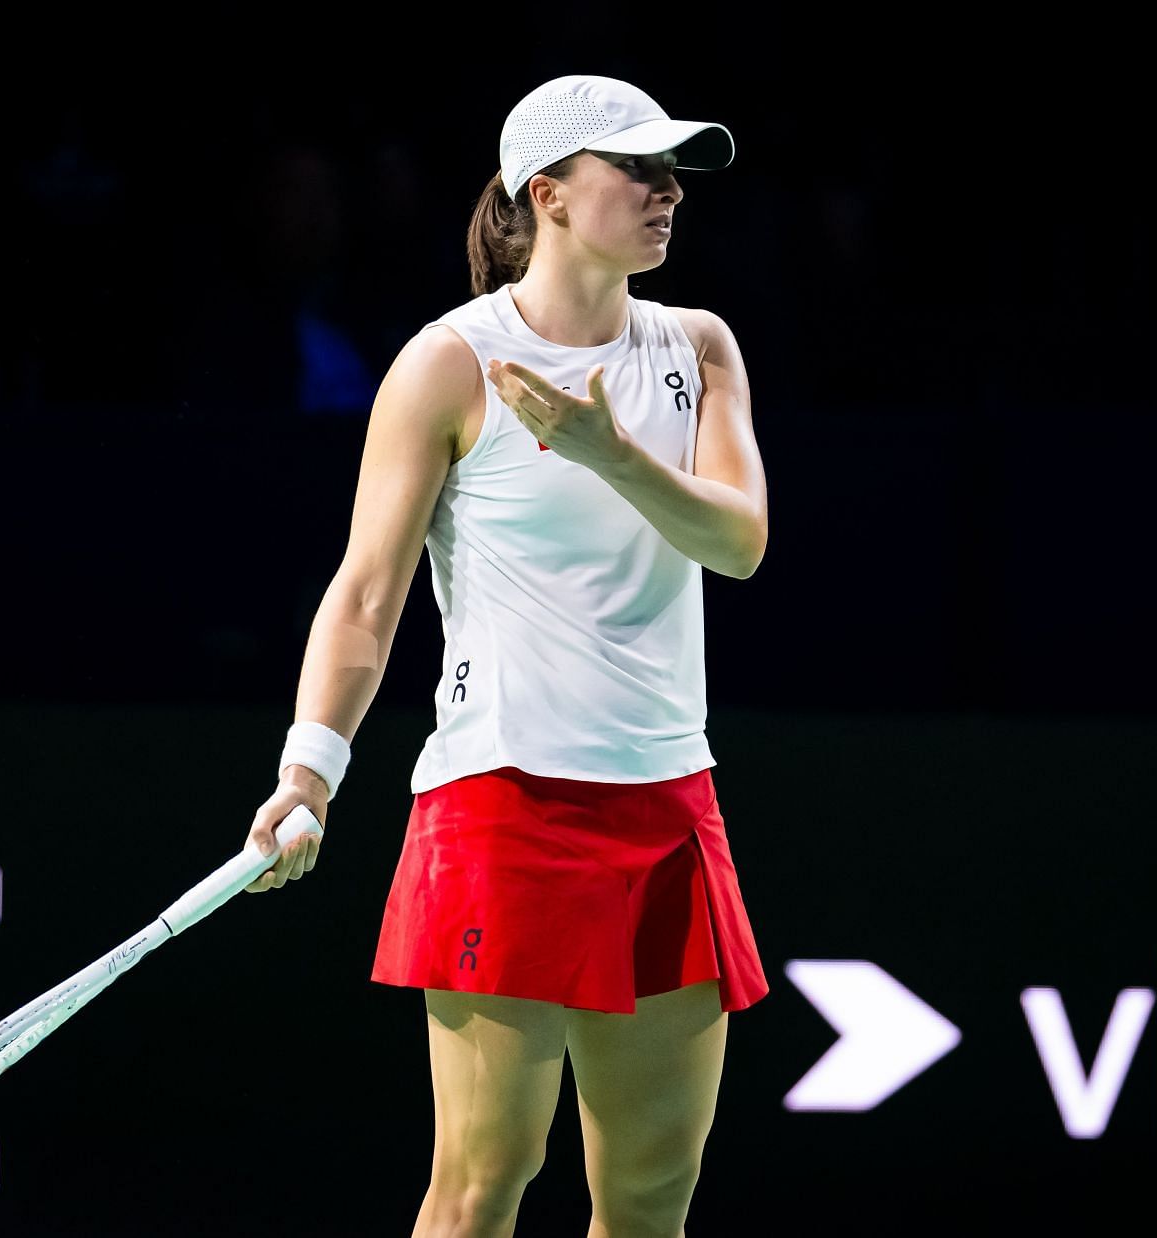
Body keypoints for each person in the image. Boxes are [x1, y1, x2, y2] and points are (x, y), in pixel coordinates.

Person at [240, 74, 770, 1237]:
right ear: (553, 194)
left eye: (674, 169)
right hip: (503, 803)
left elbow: (738, 543)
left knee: (648, 1195)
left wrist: (608, 451)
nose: (667, 191)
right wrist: (308, 771)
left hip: (668, 804)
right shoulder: (450, 364)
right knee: (481, 1189)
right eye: (638, 169)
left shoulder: (699, 347)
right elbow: (367, 591)